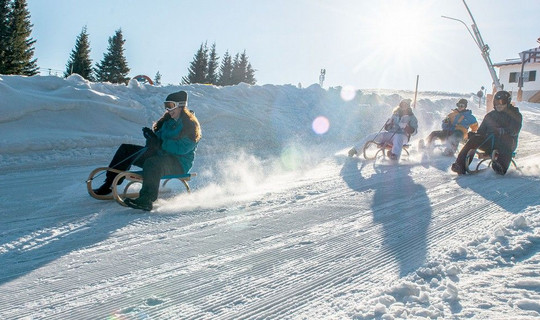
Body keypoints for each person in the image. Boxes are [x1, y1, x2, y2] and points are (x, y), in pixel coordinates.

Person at [93, 90, 202, 211]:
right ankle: (110, 184)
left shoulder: (190, 125)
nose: (168, 110)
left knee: (152, 162)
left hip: (178, 163)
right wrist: (151, 138)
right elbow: (155, 145)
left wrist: (160, 143)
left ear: (181, 106)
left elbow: (182, 148)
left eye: (171, 106)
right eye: (166, 106)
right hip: (160, 156)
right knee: (126, 150)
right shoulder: (166, 122)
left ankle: (146, 199)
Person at [451, 90, 522, 175]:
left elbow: (515, 129)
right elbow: (481, 131)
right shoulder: (490, 116)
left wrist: (503, 130)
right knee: (475, 139)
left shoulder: (515, 114)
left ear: (507, 102)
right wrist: (475, 135)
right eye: (496, 102)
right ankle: (460, 165)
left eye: (502, 102)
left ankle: (501, 166)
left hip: (506, 144)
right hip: (490, 143)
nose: (498, 105)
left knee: (506, 139)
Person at [348, 98, 418, 160]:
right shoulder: (395, 114)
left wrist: (406, 127)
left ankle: (395, 156)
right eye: (402, 104)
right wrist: (388, 124)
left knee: (398, 137)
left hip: (403, 136)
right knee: (373, 136)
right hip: (390, 134)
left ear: (408, 106)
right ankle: (356, 150)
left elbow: (414, 132)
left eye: (405, 105)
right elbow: (387, 128)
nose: (403, 106)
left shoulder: (412, 117)